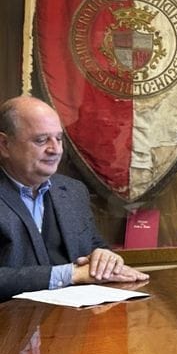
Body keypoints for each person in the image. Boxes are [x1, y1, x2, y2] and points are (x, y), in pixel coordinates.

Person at [0, 96, 148, 301]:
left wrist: (106, 259)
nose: (55, 149)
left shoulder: (73, 191)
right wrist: (70, 274)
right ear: (4, 145)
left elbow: (96, 247)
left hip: (77, 317)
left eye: (59, 139)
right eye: (41, 140)